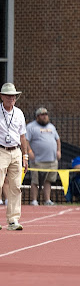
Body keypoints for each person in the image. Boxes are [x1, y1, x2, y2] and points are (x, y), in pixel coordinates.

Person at [0, 83, 28, 230]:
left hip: (16, 151)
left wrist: (25, 156)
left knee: (16, 186)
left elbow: (23, 136)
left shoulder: (19, 113)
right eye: (8, 95)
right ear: (1, 96)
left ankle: (13, 220)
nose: (11, 98)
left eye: (13, 96)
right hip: (1, 150)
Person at [26, 107, 60, 206]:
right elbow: (26, 140)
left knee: (48, 180)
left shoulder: (51, 127)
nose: (45, 117)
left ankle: (47, 200)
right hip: (38, 160)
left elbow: (57, 139)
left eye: (46, 114)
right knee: (35, 181)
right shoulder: (31, 127)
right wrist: (29, 151)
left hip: (52, 159)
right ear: (37, 117)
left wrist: (58, 151)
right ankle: (34, 200)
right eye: (43, 115)